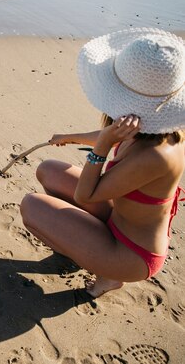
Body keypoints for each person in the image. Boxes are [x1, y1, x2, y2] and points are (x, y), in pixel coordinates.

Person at [20, 28, 185, 297]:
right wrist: (70, 137)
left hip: (131, 252)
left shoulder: (157, 156)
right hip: (119, 219)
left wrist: (101, 148)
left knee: (32, 206)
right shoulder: (157, 129)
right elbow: (116, 136)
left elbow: (85, 194)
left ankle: (109, 276)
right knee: (48, 170)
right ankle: (82, 244)